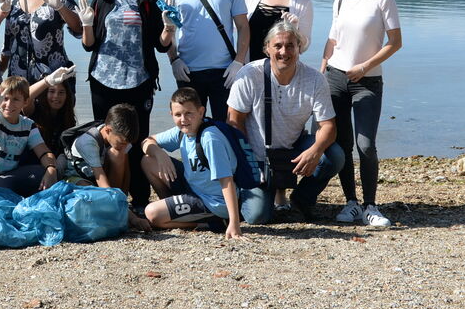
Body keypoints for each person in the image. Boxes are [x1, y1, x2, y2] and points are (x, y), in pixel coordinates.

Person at [78, 0, 175, 209]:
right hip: (103, 81)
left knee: (137, 138)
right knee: (105, 139)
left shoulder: (147, 1)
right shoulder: (101, 1)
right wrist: (86, 23)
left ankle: (140, 199)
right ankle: (108, 196)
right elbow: (89, 45)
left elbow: (161, 44)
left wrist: (169, 28)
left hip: (138, 81)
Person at [227, 21, 346, 225]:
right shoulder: (249, 75)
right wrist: (248, 162)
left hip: (293, 150)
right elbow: (233, 122)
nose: (284, 51)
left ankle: (302, 199)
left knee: (334, 155)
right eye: (278, 46)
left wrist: (315, 150)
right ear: (267, 49)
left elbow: (329, 127)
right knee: (257, 217)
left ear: (299, 48)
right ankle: (247, 193)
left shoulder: (315, 79)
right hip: (256, 155)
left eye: (290, 45)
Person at [321, 0, 402, 227]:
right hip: (336, 78)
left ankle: (371, 206)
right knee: (342, 144)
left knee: (365, 144)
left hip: (367, 80)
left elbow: (395, 42)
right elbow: (332, 40)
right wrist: (323, 71)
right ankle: (351, 204)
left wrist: (364, 67)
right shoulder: (340, 0)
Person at [243, 0, 314, 212]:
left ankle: (281, 192)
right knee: (251, 124)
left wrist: (295, 28)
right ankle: (253, 182)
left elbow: (303, 45)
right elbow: (239, 27)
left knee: (278, 127)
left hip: (281, 73)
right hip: (251, 70)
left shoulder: (302, 1)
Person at [166, 0, 249, 120]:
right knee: (190, 129)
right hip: (189, 72)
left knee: (226, 129)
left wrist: (239, 61)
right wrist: (174, 60)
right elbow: (169, 30)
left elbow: (243, 27)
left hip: (225, 72)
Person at [140, 89, 244, 239]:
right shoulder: (181, 131)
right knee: (148, 160)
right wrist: (159, 153)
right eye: (178, 115)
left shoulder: (210, 139)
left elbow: (226, 180)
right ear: (172, 115)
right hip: (193, 187)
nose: (183, 119)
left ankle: (213, 223)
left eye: (189, 113)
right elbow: (146, 141)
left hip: (213, 201)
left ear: (201, 112)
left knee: (152, 214)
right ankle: (172, 208)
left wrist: (234, 223)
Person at [61, 103, 151, 232]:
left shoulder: (122, 139)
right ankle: (116, 209)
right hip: (78, 178)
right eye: (122, 143)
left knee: (118, 154)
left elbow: (127, 171)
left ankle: (117, 206)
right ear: (108, 130)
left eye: (128, 144)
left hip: (101, 178)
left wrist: (123, 200)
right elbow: (102, 182)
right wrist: (133, 219)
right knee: (89, 194)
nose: (125, 146)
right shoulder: (87, 142)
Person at [1, 0, 82, 84]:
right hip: (19, 80)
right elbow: (7, 46)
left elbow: (79, 29)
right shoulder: (12, 3)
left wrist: (60, 7)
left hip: (53, 76)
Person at [0, 76, 60, 196]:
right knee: (6, 186)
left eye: (16, 99)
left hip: (7, 175)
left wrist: (51, 169)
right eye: (5, 98)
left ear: (26, 101)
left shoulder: (28, 125)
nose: (9, 104)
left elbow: (43, 151)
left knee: (40, 172)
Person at [25, 67, 77, 159]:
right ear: (45, 93)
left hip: (56, 162)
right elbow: (25, 97)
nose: (56, 96)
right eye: (52, 91)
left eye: (61, 92)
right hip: (32, 162)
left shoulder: (66, 116)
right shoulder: (35, 109)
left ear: (67, 96)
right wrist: (47, 81)